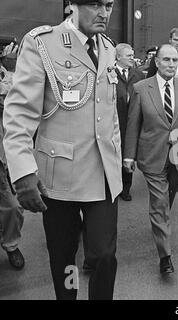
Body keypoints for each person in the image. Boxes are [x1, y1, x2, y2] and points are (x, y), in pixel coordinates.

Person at [3, 0, 122, 299]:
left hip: (104, 176)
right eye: (95, 4)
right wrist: (23, 171)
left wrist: (119, 158)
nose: (104, 13)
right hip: (59, 178)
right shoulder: (42, 43)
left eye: (108, 5)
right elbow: (19, 113)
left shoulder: (107, 48)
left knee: (105, 255)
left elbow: (110, 114)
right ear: (73, 5)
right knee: (63, 257)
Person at [123, 44, 178, 274]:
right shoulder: (141, 88)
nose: (171, 64)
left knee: (170, 195)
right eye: (166, 60)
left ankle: (161, 223)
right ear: (156, 62)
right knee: (159, 204)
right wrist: (128, 156)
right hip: (152, 154)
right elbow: (133, 124)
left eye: (174, 60)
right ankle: (165, 256)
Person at [0, 42, 25, 270]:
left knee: (12, 206)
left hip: (2, 156)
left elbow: (14, 95)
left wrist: (10, 65)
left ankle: (11, 244)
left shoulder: (5, 72)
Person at [115, 43, 145, 201]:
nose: (132, 58)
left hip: (132, 122)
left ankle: (126, 188)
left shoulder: (139, 75)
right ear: (118, 57)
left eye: (133, 55)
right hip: (114, 122)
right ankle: (114, 186)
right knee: (114, 155)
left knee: (129, 153)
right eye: (129, 56)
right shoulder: (108, 73)